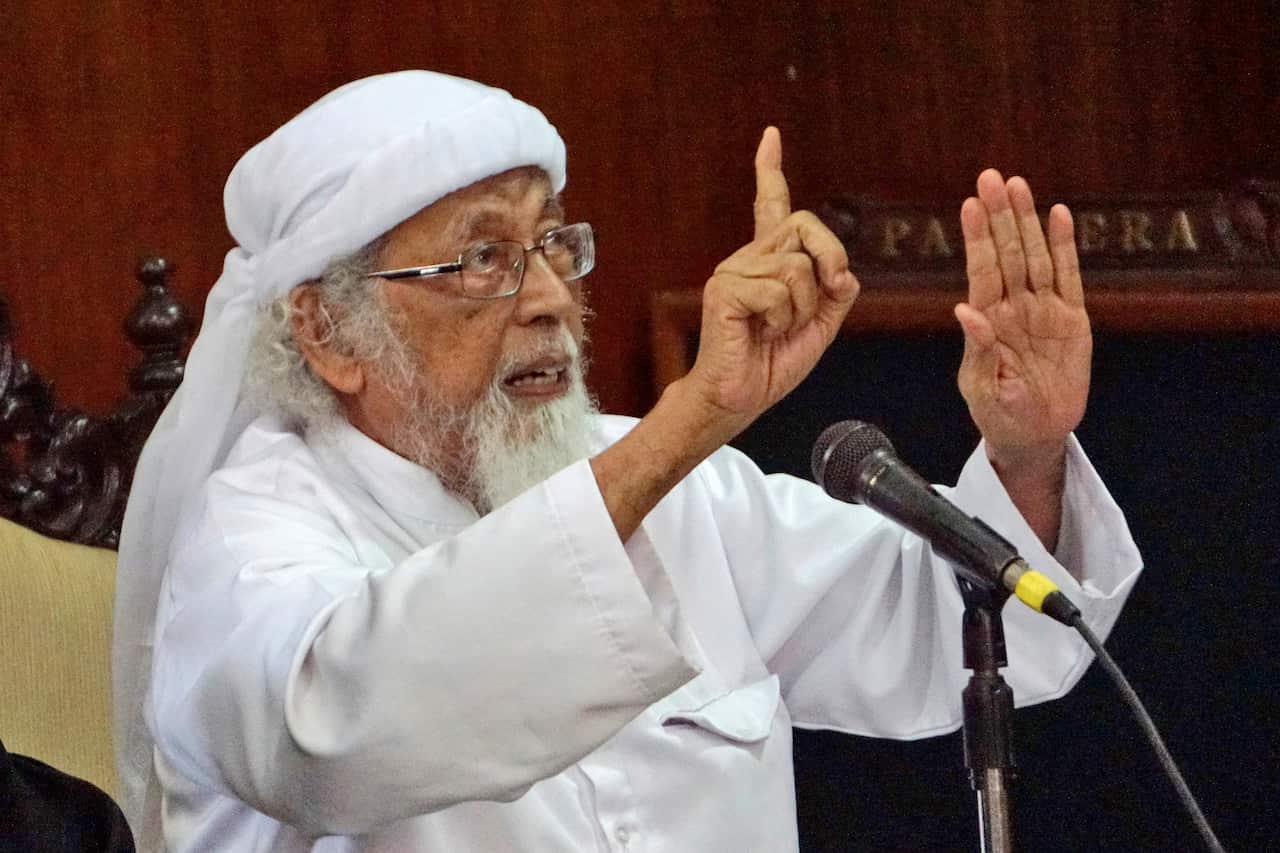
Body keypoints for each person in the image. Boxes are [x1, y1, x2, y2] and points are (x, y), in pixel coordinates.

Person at [113, 71, 1141, 852]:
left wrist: (1024, 449)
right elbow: (333, 728)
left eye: (555, 244)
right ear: (329, 331)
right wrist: (694, 417)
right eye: (482, 257)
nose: (551, 297)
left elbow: (948, 628)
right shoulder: (246, 543)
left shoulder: (665, 487)